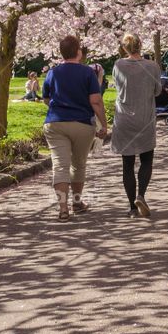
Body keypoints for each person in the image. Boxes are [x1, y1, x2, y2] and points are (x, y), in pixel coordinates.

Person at [42, 34, 108, 221]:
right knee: (78, 164)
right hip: (82, 123)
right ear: (78, 52)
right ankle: (77, 202)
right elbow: (95, 101)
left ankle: (63, 209)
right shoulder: (87, 73)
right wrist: (104, 123)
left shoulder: (52, 73)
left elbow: (46, 98)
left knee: (60, 165)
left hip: (55, 123)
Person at [111, 33, 162, 218]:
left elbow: (117, 86)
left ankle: (132, 208)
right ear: (141, 46)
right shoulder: (152, 66)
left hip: (124, 119)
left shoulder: (118, 65)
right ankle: (141, 194)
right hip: (145, 118)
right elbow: (157, 91)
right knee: (147, 159)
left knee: (128, 163)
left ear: (125, 48)